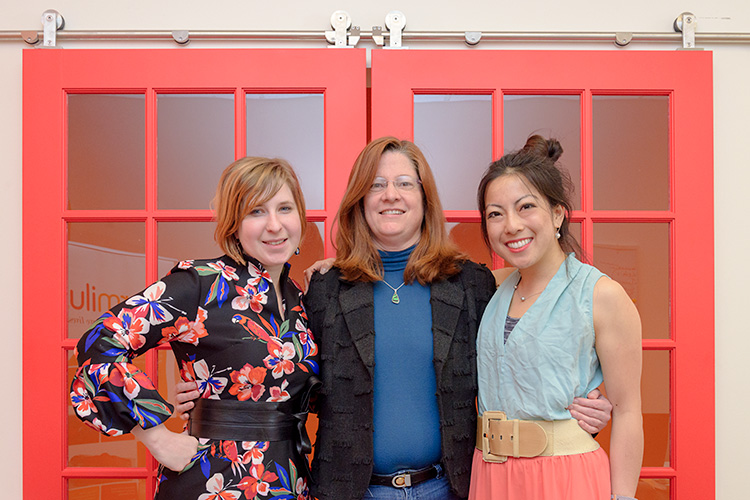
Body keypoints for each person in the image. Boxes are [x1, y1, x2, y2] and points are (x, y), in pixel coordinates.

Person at [174, 137, 614, 500]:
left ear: (425, 198)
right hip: (353, 491)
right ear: (360, 200)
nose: (391, 194)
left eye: (405, 182)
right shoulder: (325, 289)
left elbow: (534, 320)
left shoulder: (470, 284)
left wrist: (592, 392)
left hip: (450, 487)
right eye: (377, 184)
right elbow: (283, 367)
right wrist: (205, 396)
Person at [70, 157, 320, 499]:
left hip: (288, 481)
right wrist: (157, 438)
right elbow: (99, 342)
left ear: (300, 217)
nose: (274, 225)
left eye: (285, 208)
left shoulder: (300, 300)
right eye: (256, 211)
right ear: (234, 223)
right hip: (212, 481)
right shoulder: (201, 284)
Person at [469, 136, 643, 500]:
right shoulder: (490, 287)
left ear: (558, 214)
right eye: (495, 214)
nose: (511, 226)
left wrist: (623, 497)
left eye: (526, 207)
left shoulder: (601, 295)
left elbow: (627, 410)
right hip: (490, 474)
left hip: (565, 476)